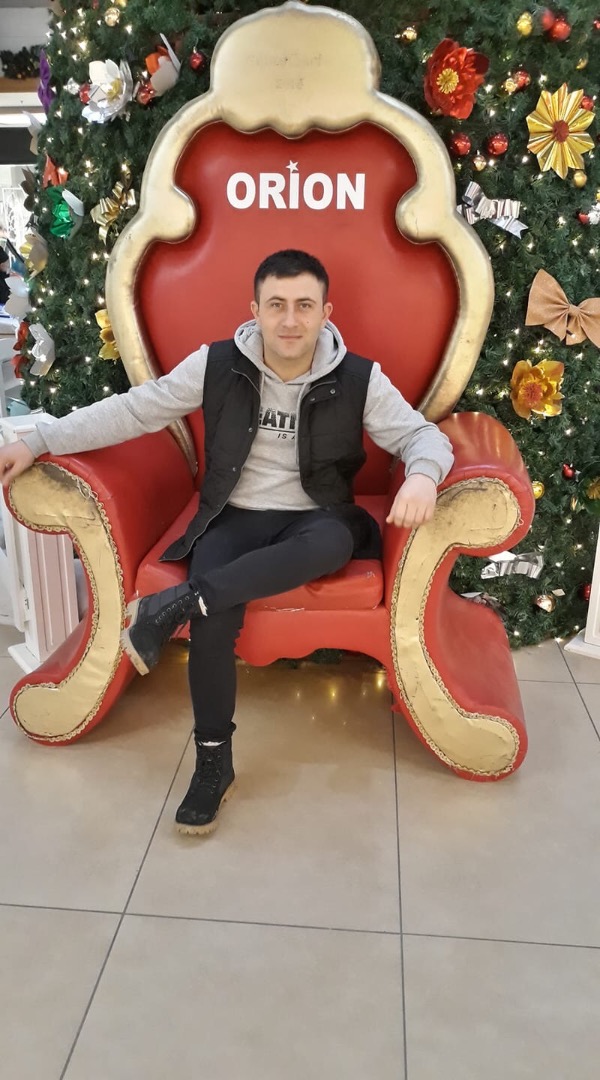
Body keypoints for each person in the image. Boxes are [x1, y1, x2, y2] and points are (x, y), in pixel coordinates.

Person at [0, 249, 454, 837]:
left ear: (326, 313)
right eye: (276, 305)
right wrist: (40, 440)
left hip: (316, 518)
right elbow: (135, 410)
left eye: (304, 306)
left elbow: (424, 436)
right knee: (214, 619)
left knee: (330, 546)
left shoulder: (359, 378)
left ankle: (176, 603)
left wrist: (422, 476)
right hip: (232, 516)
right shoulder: (216, 364)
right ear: (255, 310)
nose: (289, 320)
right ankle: (214, 759)